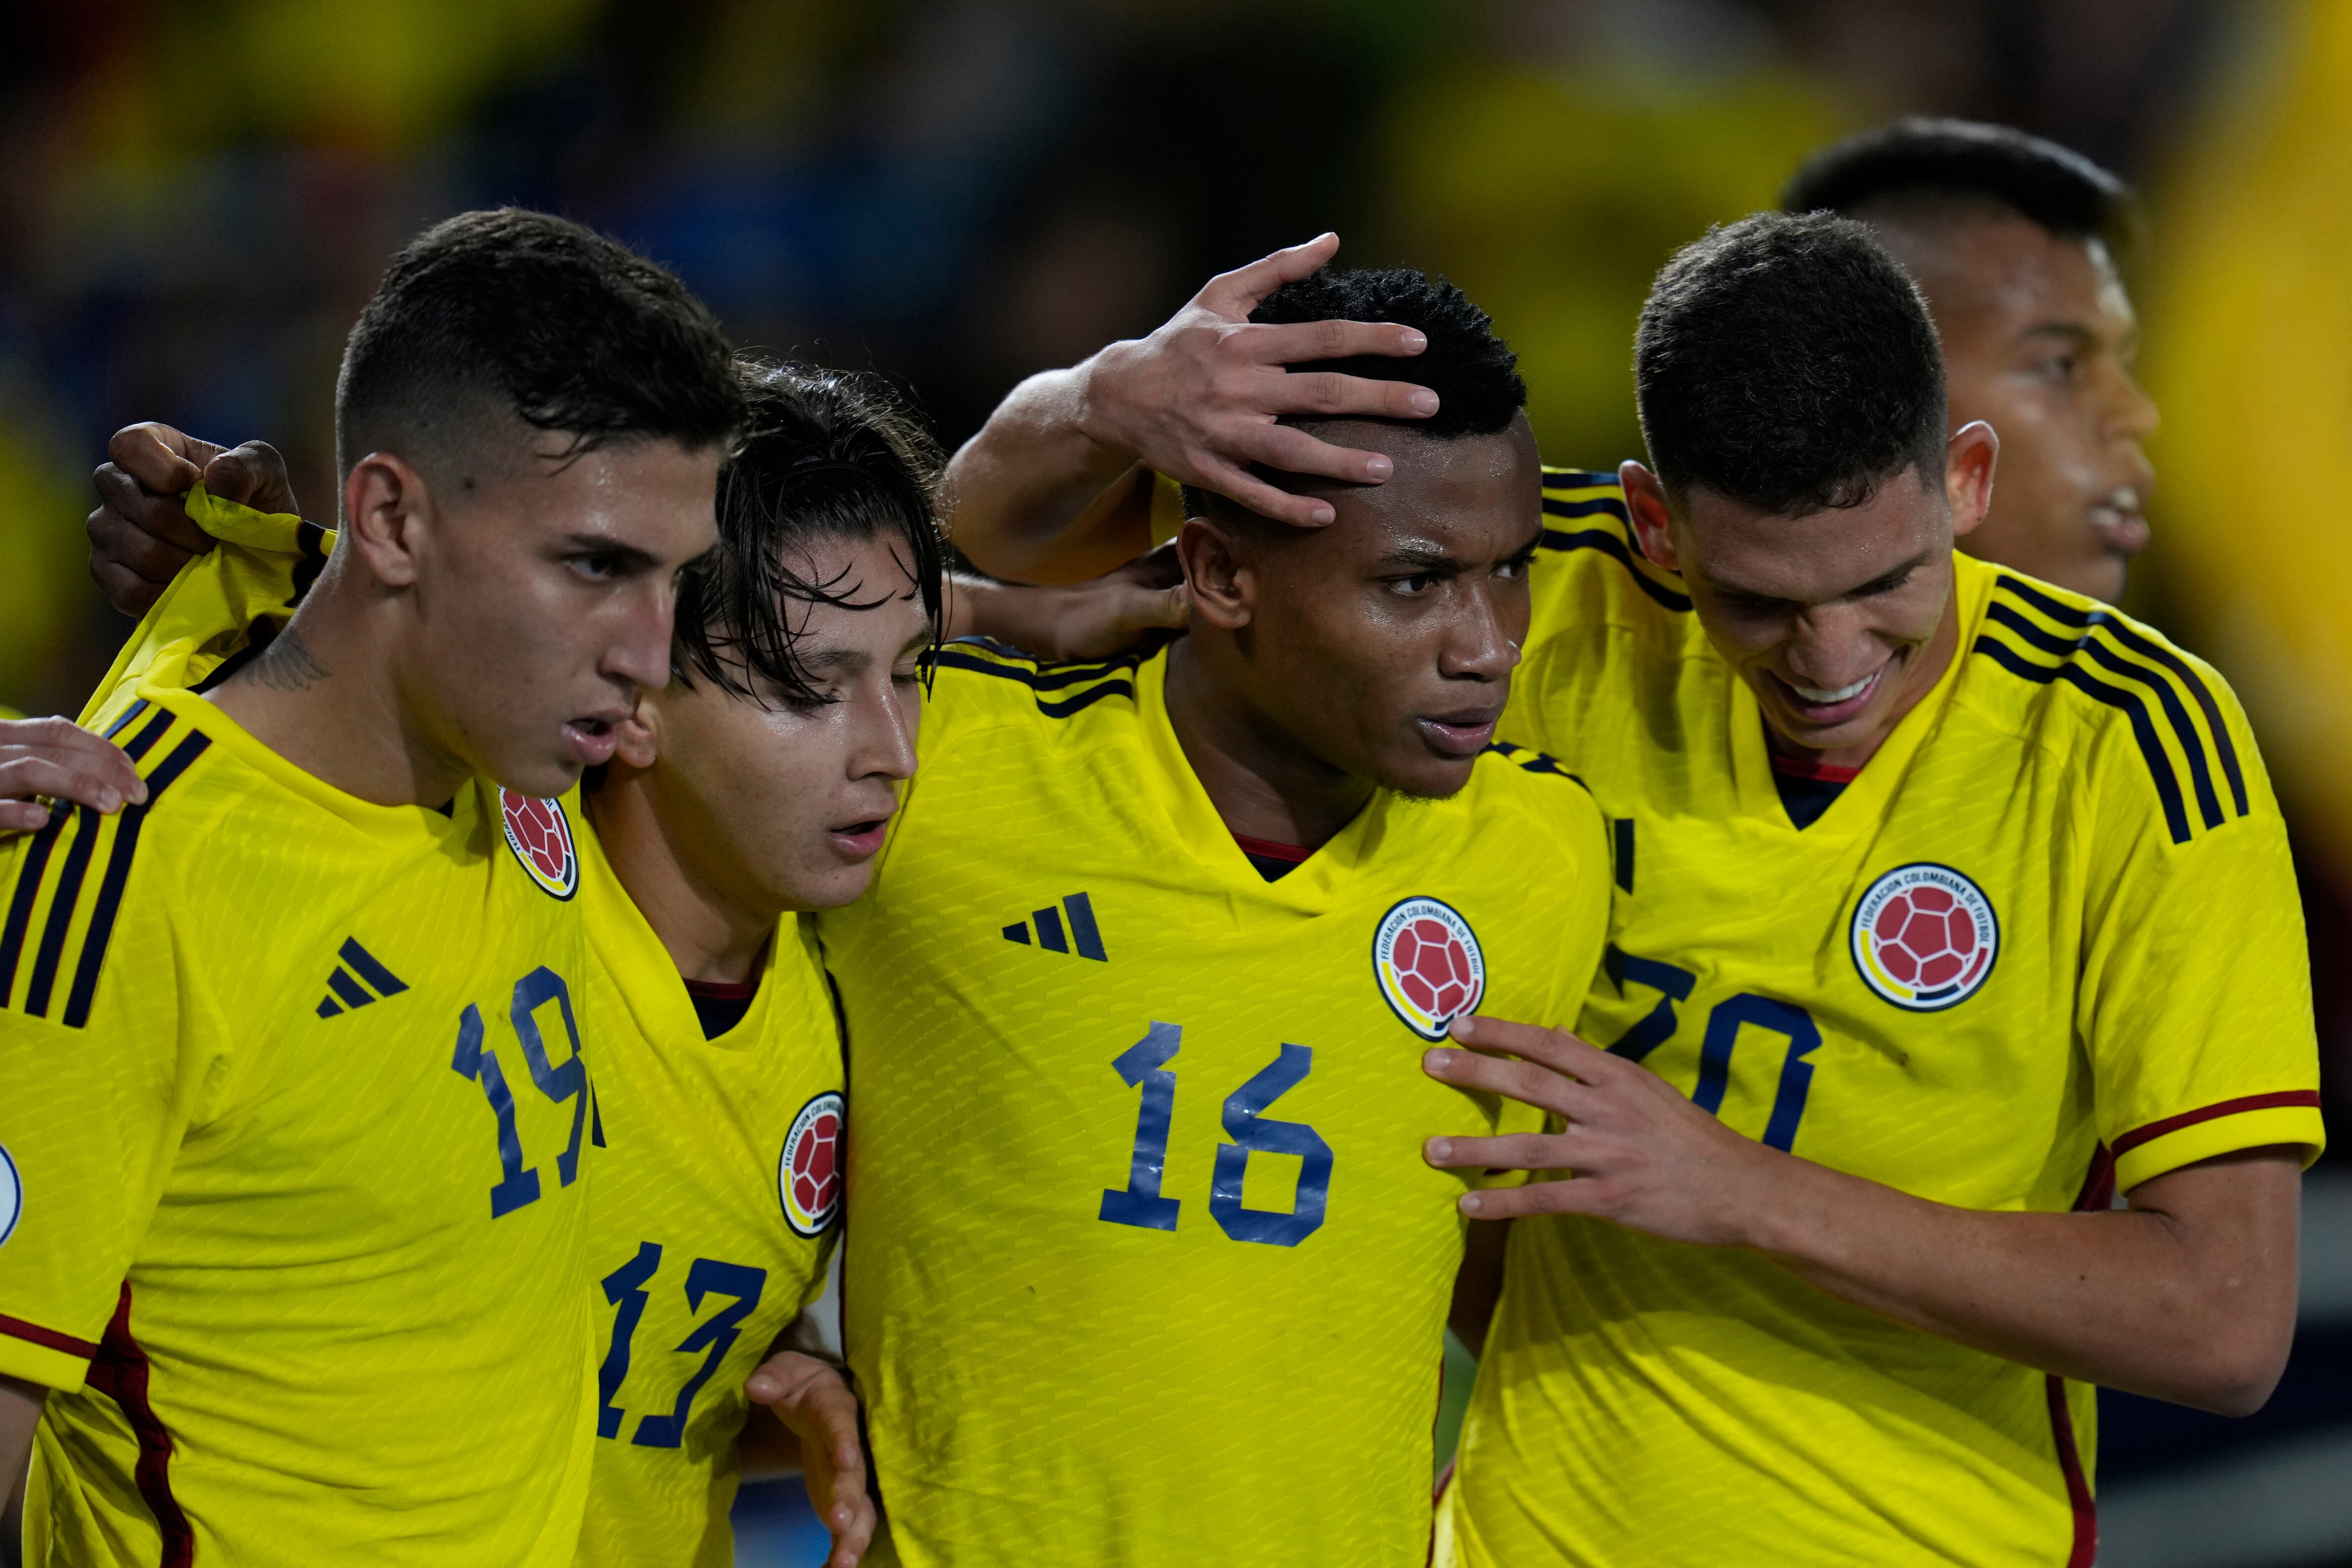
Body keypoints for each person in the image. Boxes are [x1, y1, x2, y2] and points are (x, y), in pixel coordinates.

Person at [942, 216, 2321, 1564]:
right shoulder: (1520, 592)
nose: (1832, 659)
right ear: (1659, 528)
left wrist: (1735, 1188)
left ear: (1964, 483)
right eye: (1761, 604)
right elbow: (983, 545)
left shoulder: (2128, 742)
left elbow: (2222, 1321)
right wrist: (1102, 402)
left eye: (1891, 584)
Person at [815, 265, 1611, 1565]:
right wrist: (1058, 482)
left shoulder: (1543, 854)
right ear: (1221, 579)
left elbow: (1481, 1249)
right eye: (1414, 584)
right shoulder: (940, 769)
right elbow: (658, 604)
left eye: (1509, 571)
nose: (1487, 643)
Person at [0, 208, 740, 1564]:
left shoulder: (505, 738)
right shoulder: (122, 874)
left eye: (673, 580)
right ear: (393, 516)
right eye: (594, 567)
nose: (650, 656)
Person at [1782, 117, 2160, 603]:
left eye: (2126, 363)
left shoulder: (2174, 674)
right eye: (2061, 366)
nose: (2137, 415)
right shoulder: (1675, 670)